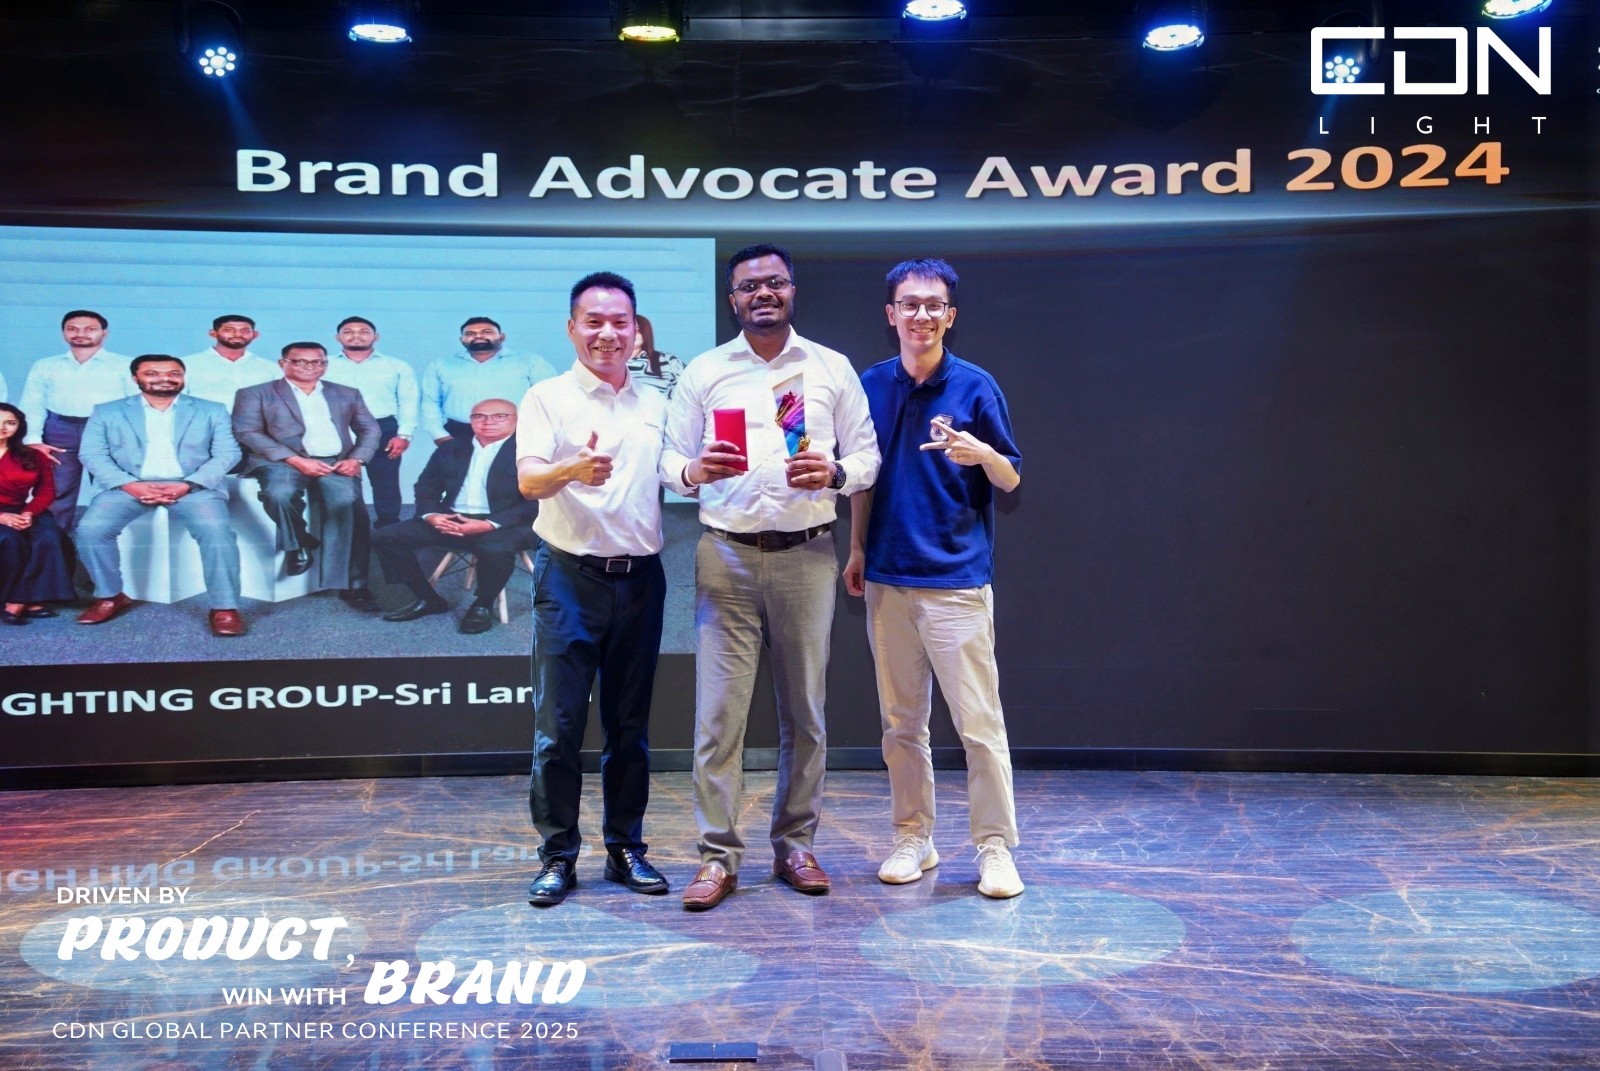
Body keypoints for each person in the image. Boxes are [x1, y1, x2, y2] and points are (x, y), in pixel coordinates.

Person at [662, 244, 880, 911]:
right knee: (718, 717)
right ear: (733, 298)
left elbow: (868, 456)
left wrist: (836, 473)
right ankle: (718, 856)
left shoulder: (829, 367)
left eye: (775, 282)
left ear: (792, 290)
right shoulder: (706, 371)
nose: (763, 293)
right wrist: (694, 471)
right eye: (749, 285)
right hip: (724, 556)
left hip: (807, 555)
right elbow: (669, 459)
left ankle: (795, 845)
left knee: (806, 713)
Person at [843, 258, 1025, 900]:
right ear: (891, 314)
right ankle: (913, 836)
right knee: (900, 725)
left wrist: (982, 453)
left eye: (933, 305)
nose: (921, 315)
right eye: (910, 304)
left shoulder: (975, 386)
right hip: (887, 580)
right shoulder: (869, 384)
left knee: (979, 725)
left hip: (956, 584)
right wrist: (857, 547)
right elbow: (861, 478)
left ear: (950, 315)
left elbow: (1011, 479)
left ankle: (995, 847)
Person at [517, 272, 669, 907]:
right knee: (558, 729)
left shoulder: (656, 401)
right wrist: (571, 469)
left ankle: (625, 848)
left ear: (637, 332)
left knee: (629, 728)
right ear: (572, 328)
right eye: (594, 321)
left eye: (620, 322)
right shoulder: (546, 397)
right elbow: (530, 482)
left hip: (641, 580)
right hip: (569, 577)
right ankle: (557, 856)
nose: (608, 333)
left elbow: (676, 472)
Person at [74, 356, 245, 636]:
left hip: (193, 487)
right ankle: (110, 595)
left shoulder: (212, 410)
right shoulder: (107, 411)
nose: (164, 378)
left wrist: (189, 484)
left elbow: (228, 453)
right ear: (135, 378)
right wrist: (130, 485)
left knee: (217, 533)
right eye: (152, 373)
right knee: (91, 530)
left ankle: (224, 607)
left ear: (183, 377)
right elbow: (92, 454)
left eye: (174, 373)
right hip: (127, 486)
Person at [232, 342, 381, 610]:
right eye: (300, 361)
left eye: (317, 362)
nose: (310, 367)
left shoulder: (347, 393)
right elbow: (247, 431)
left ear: (325, 364)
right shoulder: (255, 393)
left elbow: (370, 429)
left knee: (348, 506)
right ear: (283, 363)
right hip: (281, 461)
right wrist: (296, 460)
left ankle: (354, 586)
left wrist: (356, 459)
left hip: (335, 462)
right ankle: (299, 542)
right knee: (280, 494)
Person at [373, 397, 538, 634]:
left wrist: (489, 524)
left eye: (499, 416)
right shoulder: (451, 448)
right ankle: (427, 598)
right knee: (386, 537)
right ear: (471, 421)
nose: (488, 422)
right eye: (479, 416)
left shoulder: (531, 453)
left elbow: (540, 501)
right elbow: (426, 487)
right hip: (451, 518)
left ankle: (482, 605)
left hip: (507, 523)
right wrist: (432, 515)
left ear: (517, 420)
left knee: (496, 548)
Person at [17, 310, 135, 530]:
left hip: (107, 430)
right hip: (59, 430)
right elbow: (32, 404)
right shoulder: (45, 365)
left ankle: (104, 543)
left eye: (90, 329)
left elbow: (134, 406)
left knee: (110, 488)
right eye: (72, 329)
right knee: (56, 490)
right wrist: (33, 440)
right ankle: (56, 545)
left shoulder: (125, 365)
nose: (80, 334)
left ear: (104, 333)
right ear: (63, 333)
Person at [322, 316, 420, 528]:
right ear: (338, 337)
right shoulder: (324, 364)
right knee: (338, 482)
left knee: (386, 482)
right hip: (335, 428)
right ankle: (346, 531)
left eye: (364, 331)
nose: (356, 336)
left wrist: (404, 435)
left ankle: (388, 528)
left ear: (376, 337)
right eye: (348, 331)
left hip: (382, 427)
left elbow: (409, 401)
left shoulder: (396, 366)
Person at [419, 317, 556, 445]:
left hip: (518, 433)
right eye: (470, 333)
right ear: (461, 340)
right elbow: (430, 402)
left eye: (487, 332)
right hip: (458, 433)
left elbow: (550, 398)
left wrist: (539, 433)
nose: (478, 336)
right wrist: (439, 435)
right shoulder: (441, 365)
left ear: (502, 336)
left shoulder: (530, 361)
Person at [0, 403, 75, 625]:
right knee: (9, 539)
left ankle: (20, 599)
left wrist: (29, 513)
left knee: (48, 536)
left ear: (19, 427)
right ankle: (23, 599)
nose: (3, 427)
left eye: (10, 423)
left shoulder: (32, 455)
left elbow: (46, 491)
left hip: (22, 510)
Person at [182, 315, 278, 409]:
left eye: (245, 331)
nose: (238, 334)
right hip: (202, 419)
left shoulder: (271, 367)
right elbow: (178, 400)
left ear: (255, 335)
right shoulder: (187, 364)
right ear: (213, 333)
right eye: (229, 330)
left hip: (254, 419)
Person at [625, 315, 685, 400]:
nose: (633, 335)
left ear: (646, 333)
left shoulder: (669, 361)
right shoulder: (608, 362)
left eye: (637, 330)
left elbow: (684, 397)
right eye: (628, 331)